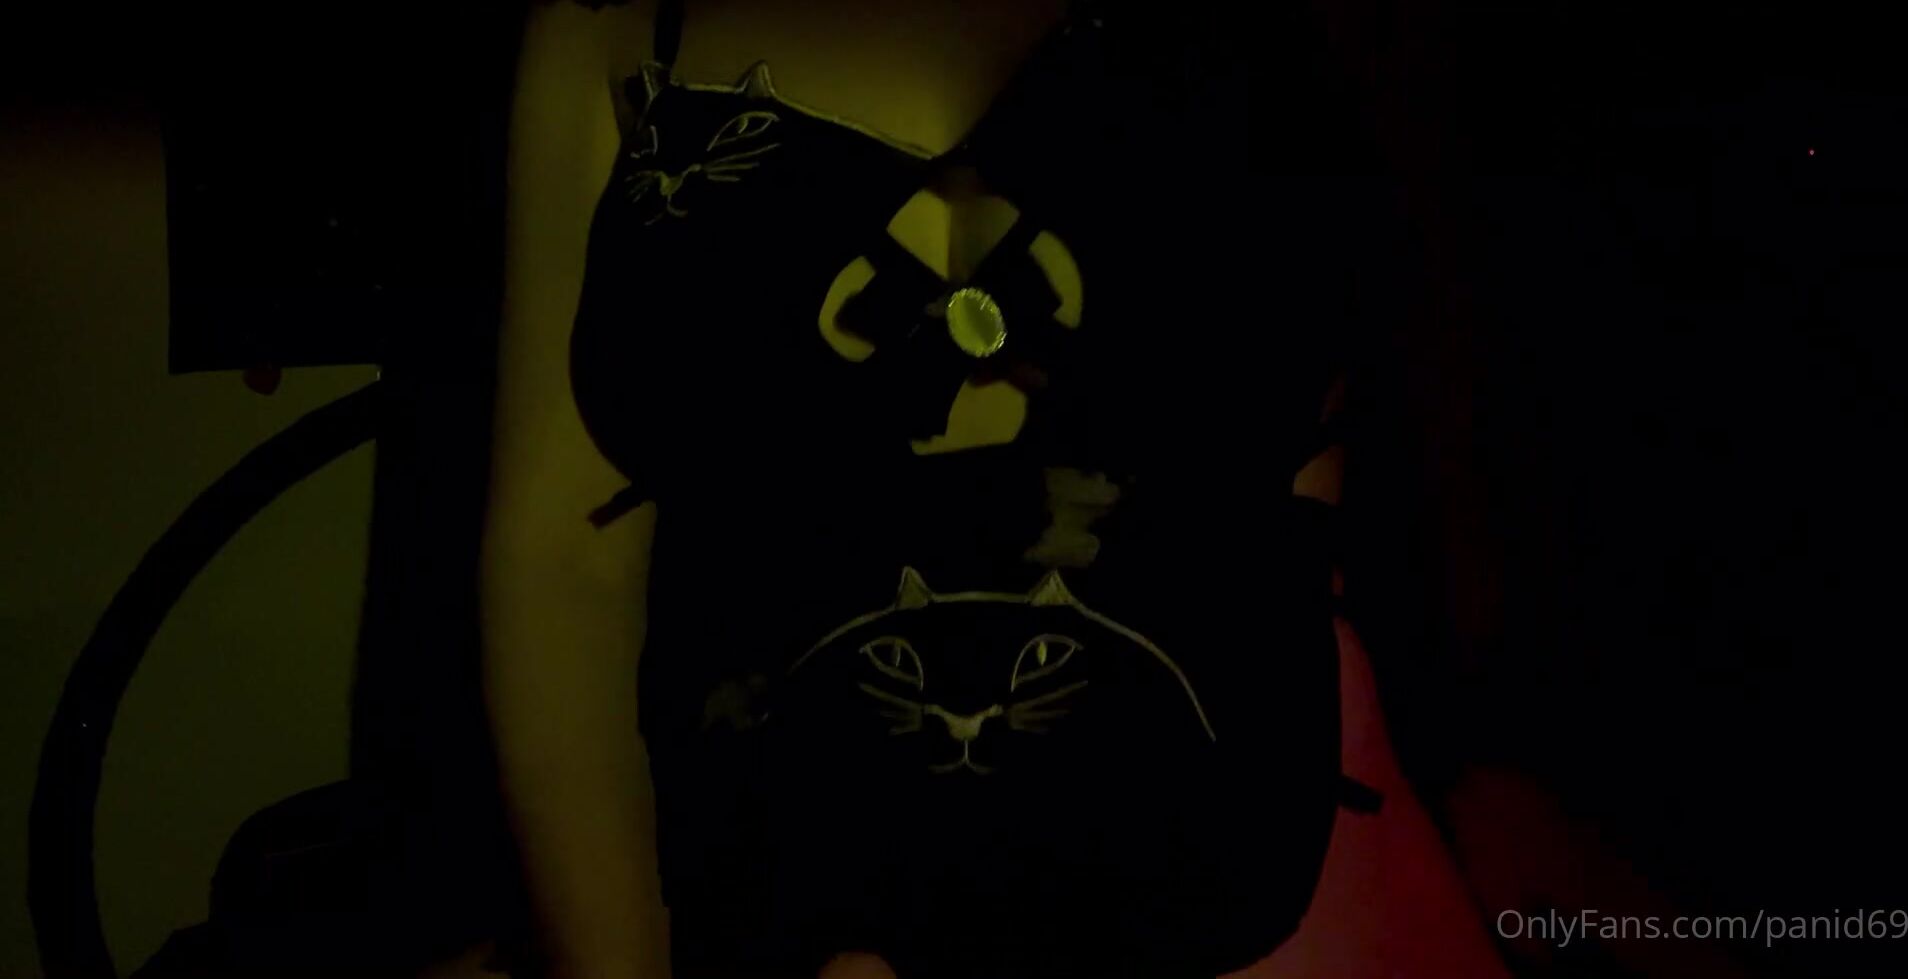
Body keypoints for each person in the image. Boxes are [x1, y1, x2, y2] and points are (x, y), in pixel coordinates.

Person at [482, 1, 1510, 976]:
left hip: (1246, 890)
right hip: (766, 889)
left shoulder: (1319, 39)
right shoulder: (609, 31)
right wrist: (613, 959)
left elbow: (1392, 458)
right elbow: (564, 563)